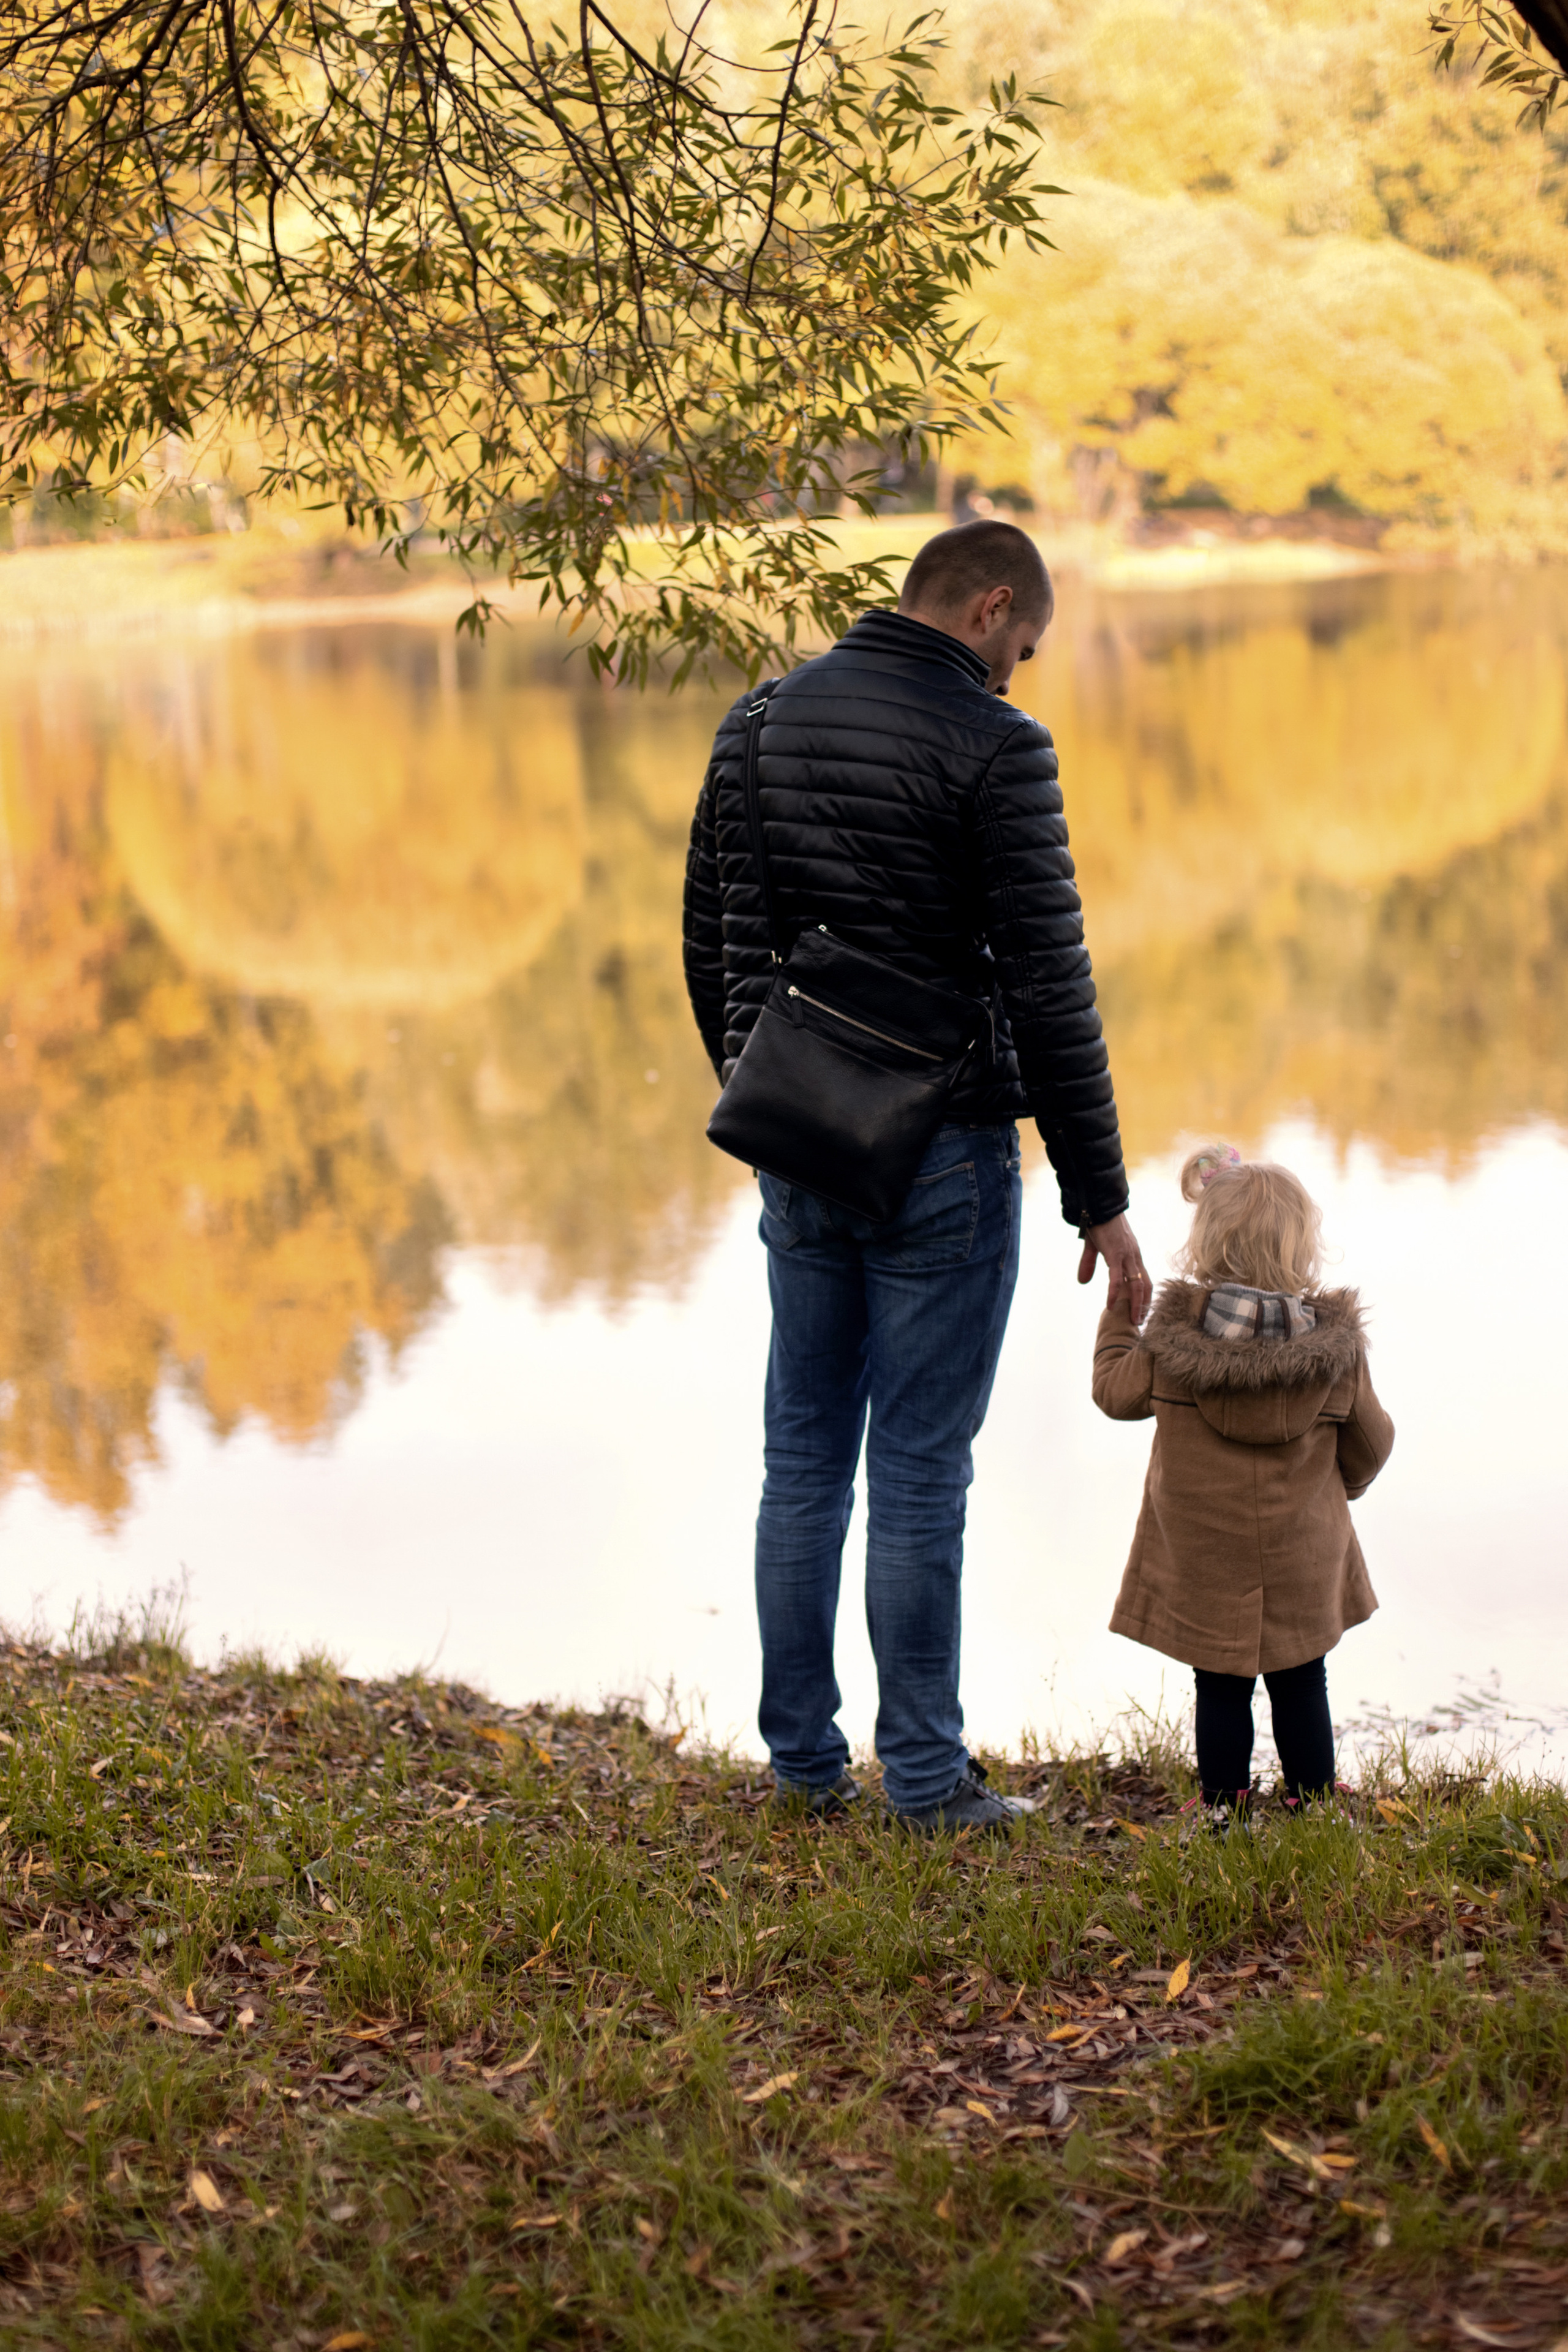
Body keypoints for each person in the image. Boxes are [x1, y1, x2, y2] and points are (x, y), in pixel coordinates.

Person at [682, 519, 1149, 1833]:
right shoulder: (997, 749)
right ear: (989, 604)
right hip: (942, 1151)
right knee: (920, 1469)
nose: (1017, 674)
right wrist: (1099, 1198)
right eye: (1021, 646)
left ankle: (802, 1769)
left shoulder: (760, 719)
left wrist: (763, 1091)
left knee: (803, 1457)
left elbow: (714, 938)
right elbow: (1052, 988)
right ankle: (930, 1785)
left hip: (799, 1140)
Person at [1092, 1144, 1395, 1820]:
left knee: (1219, 1683)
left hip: (1205, 1552)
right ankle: (1312, 1795)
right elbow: (1371, 1447)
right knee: (1301, 1675)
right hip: (1302, 1551)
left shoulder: (1171, 1345)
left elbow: (1113, 1394)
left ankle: (1223, 1806)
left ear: (1206, 1242)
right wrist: (1342, 1486)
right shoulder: (1335, 1354)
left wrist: (1119, 1318)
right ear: (1300, 1248)